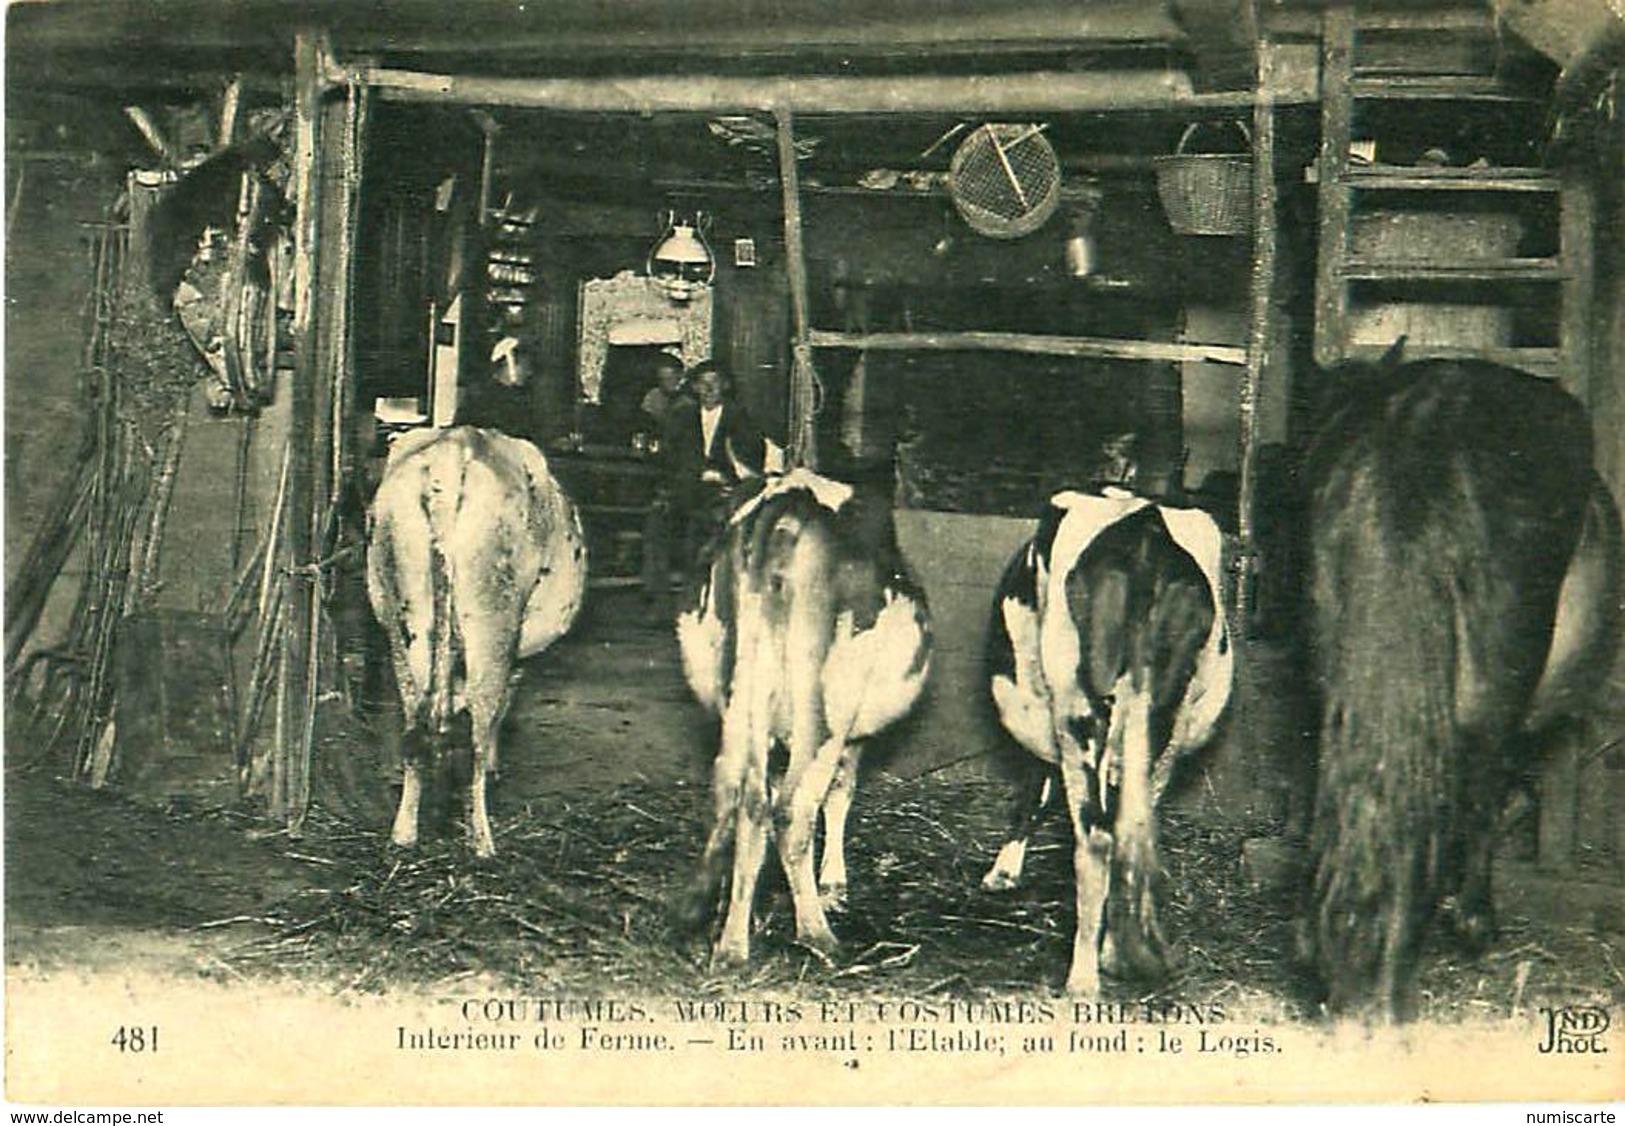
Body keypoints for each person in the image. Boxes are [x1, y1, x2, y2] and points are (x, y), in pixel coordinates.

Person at [641, 360, 771, 608]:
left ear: (725, 386)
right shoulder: (681, 416)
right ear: (694, 388)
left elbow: (752, 457)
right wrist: (696, 473)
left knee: (700, 529)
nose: (709, 389)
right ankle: (659, 601)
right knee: (657, 523)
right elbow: (668, 457)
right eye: (703, 383)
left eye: (715, 383)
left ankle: (698, 600)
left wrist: (724, 476)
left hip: (724, 491)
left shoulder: (739, 417)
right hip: (686, 487)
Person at [638, 349, 691, 435]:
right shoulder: (653, 395)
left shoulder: (689, 398)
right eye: (661, 379)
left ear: (679, 376)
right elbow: (644, 422)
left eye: (669, 379)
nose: (665, 383)